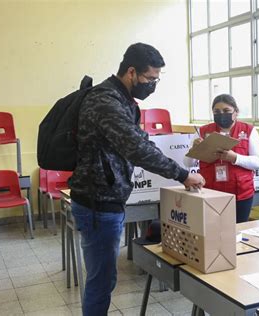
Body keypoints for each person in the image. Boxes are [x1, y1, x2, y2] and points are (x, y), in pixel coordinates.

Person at [68, 43, 205, 316]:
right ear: (131, 72)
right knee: (100, 282)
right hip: (98, 204)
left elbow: (143, 143)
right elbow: (137, 149)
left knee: (105, 279)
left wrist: (179, 171)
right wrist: (182, 175)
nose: (152, 84)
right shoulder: (105, 101)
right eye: (150, 78)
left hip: (109, 200)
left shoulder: (124, 101)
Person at [184, 94, 259, 223]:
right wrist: (194, 150)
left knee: (238, 230)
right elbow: (187, 163)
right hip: (210, 193)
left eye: (226, 111)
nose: (221, 114)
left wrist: (235, 158)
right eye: (217, 112)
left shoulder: (248, 131)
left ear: (236, 112)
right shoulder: (203, 131)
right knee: (212, 230)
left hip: (240, 194)